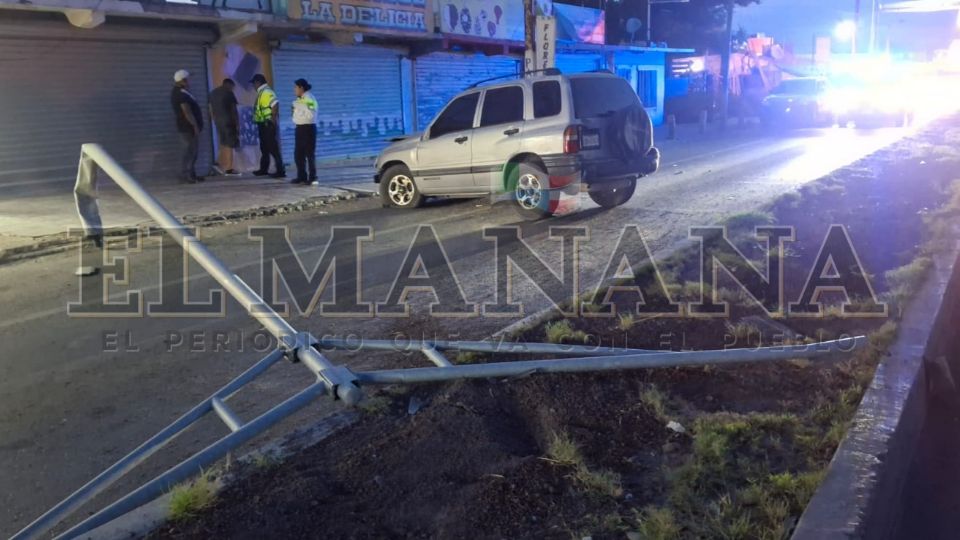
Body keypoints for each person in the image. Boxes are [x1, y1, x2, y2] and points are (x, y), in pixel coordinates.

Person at [170, 69, 204, 183]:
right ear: (182, 81)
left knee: (193, 151)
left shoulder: (184, 92)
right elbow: (187, 111)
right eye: (188, 79)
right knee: (188, 151)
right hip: (187, 128)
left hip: (189, 127)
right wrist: (194, 126)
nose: (190, 81)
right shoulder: (179, 94)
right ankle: (184, 175)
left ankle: (191, 173)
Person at [250, 74, 285, 179]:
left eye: (254, 83)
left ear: (258, 82)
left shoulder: (267, 92)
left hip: (267, 123)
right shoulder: (261, 92)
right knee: (264, 148)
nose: (253, 86)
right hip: (262, 123)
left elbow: (275, 104)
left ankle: (280, 170)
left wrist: (272, 120)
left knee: (273, 148)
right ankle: (263, 169)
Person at [208, 78, 241, 176]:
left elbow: (210, 108)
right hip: (228, 121)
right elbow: (234, 110)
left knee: (223, 142)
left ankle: (217, 163)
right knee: (231, 144)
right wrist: (237, 124)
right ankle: (229, 169)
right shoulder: (229, 93)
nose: (233, 89)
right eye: (232, 87)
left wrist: (214, 119)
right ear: (228, 85)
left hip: (218, 122)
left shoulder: (213, 93)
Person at [291, 78, 318, 185]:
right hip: (300, 128)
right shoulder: (299, 99)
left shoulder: (310, 98)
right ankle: (301, 176)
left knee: (309, 154)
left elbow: (311, 115)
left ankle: (313, 177)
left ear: (301, 87)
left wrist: (298, 107)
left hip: (308, 128)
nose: (294, 90)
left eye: (295, 87)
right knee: (298, 154)